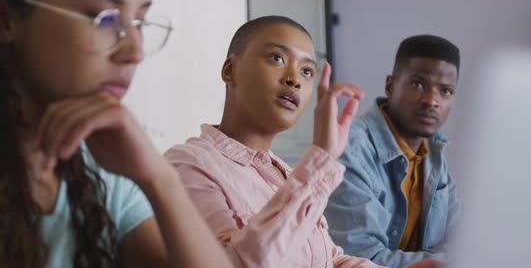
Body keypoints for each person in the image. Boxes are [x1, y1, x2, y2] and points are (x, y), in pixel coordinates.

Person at [0, 0, 232, 267]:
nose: (135, 51)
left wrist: (161, 181)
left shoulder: (104, 171)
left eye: (140, 21)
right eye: (104, 18)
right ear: (6, 19)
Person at [165, 16, 442, 268]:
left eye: (307, 71)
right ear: (230, 70)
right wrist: (321, 159)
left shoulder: (286, 174)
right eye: (276, 58)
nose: (294, 79)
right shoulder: (186, 166)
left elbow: (329, 260)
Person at [324, 35, 462, 267]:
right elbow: (365, 259)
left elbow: (463, 242)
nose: (432, 100)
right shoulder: (351, 151)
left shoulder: (434, 150)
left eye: (445, 91)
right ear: (390, 85)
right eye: (418, 84)